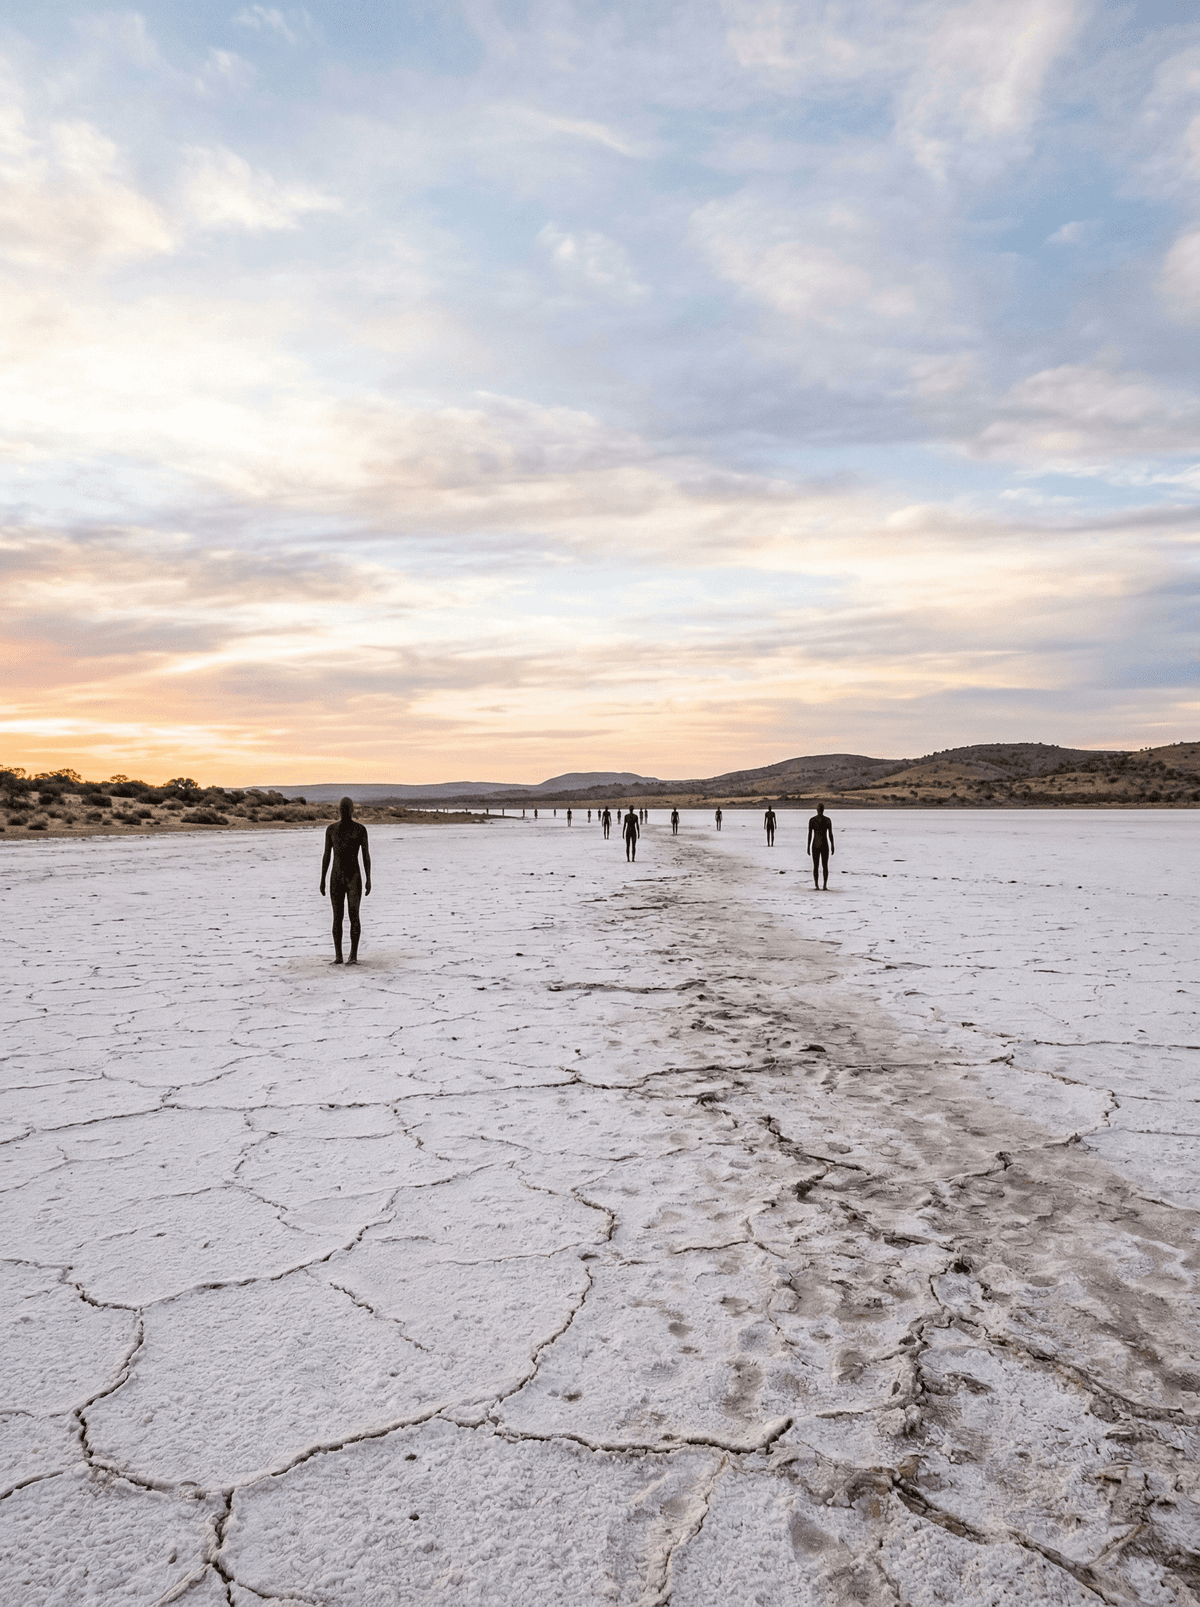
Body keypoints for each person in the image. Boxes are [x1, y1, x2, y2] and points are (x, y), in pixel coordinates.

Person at [319, 796, 371, 964]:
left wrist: (368, 878)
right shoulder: (331, 830)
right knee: (337, 917)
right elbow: (326, 856)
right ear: (338, 810)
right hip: (336, 877)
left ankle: (353, 955)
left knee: (354, 915)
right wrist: (322, 879)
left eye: (347, 809)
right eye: (342, 809)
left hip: (354, 876)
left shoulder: (360, 830)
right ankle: (338, 955)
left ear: (352, 810)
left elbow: (366, 856)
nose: (344, 812)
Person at [806, 803, 834, 889]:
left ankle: (817, 885)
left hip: (815, 844)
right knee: (825, 865)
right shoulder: (827, 820)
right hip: (824, 844)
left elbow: (810, 835)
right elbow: (830, 834)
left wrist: (808, 846)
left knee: (816, 865)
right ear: (823, 810)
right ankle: (824, 885)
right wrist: (832, 844)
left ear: (817, 810)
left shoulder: (812, 820)